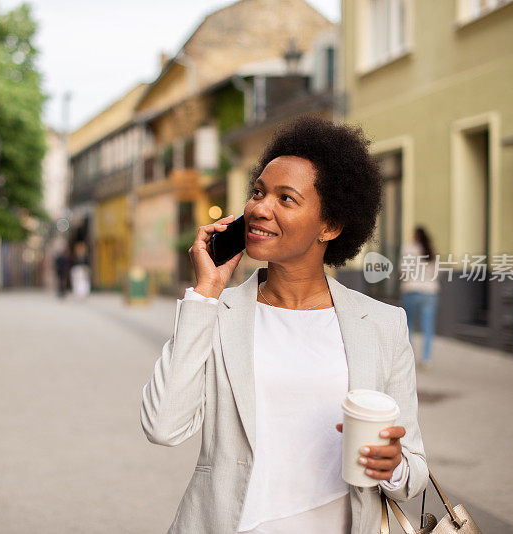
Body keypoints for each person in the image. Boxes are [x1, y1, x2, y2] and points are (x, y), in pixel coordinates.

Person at [140, 116, 428, 534]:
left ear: (329, 226)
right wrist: (206, 291)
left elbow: (414, 471)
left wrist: (393, 465)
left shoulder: (383, 325)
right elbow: (163, 427)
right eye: (258, 192)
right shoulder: (217, 315)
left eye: (286, 198)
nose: (259, 207)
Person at [399, 227, 440, 371]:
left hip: (411, 289)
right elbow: (436, 272)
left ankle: (408, 358)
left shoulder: (408, 249)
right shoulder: (432, 251)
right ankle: (426, 359)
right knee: (427, 327)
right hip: (429, 292)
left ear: (415, 236)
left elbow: (403, 270)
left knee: (408, 325)